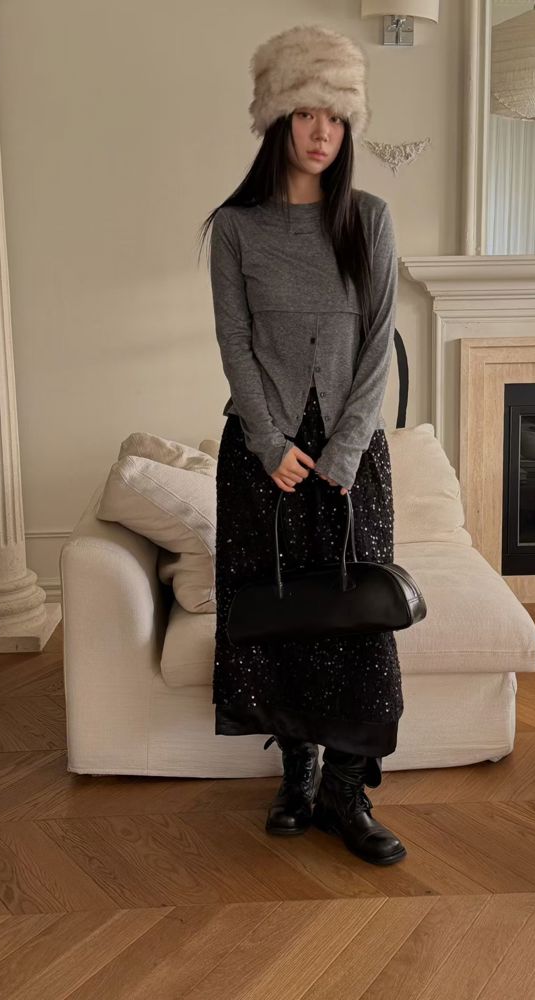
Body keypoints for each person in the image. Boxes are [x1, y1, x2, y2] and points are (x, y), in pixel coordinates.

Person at [197, 24, 406, 866]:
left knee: (357, 623)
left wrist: (346, 451)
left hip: (352, 461)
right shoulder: (235, 228)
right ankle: (297, 776)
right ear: (277, 118)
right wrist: (266, 441)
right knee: (280, 616)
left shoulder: (370, 220)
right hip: (264, 458)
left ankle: (347, 794)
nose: (323, 132)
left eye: (337, 117)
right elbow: (233, 342)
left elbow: (379, 341)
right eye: (308, 113)